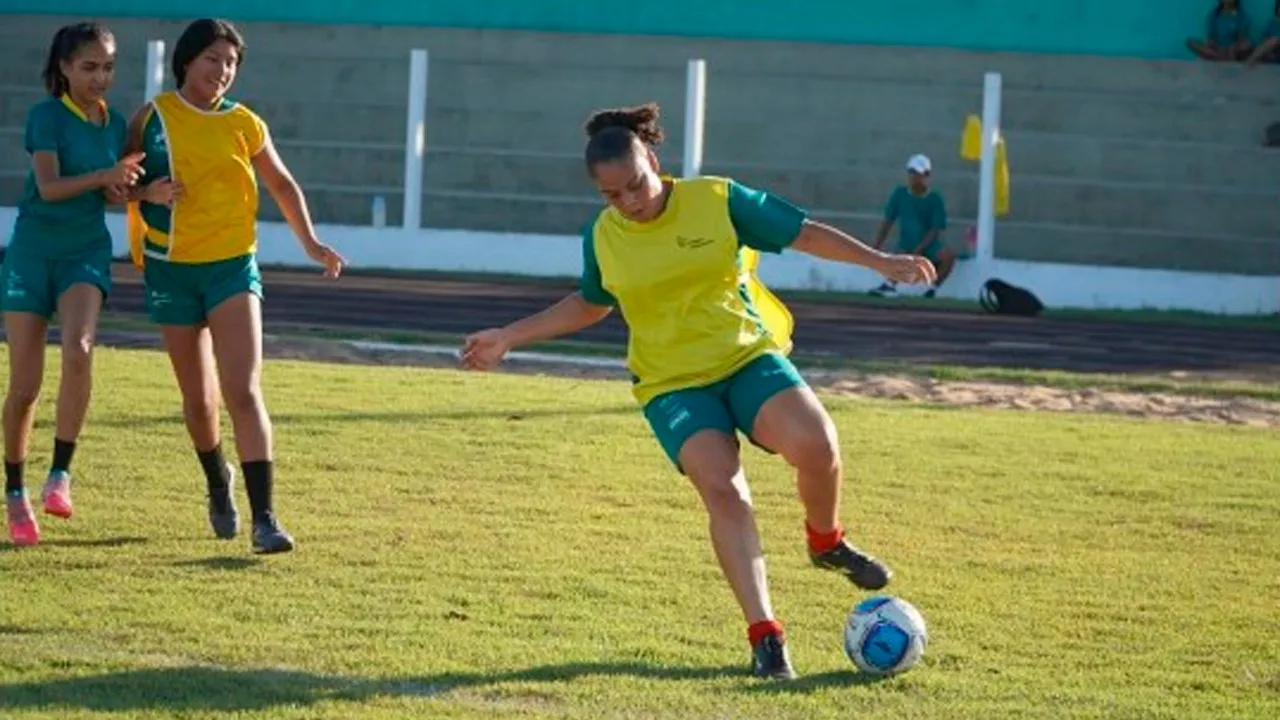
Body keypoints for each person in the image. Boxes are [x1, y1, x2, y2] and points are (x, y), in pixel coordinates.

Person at [460, 102, 935, 680]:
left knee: (818, 445)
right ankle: (766, 637)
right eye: (613, 196)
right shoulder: (604, 237)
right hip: (671, 384)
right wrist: (509, 336)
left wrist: (879, 261)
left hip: (745, 357)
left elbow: (802, 232)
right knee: (725, 493)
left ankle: (826, 541)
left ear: (653, 161)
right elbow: (590, 301)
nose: (630, 202)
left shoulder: (717, 200)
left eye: (636, 184)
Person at [123, 18, 345, 555]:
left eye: (231, 63)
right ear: (187, 60)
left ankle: (266, 518)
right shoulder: (152, 118)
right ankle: (217, 484)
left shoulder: (245, 123)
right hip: (171, 268)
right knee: (199, 403)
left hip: (232, 268)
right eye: (213, 60)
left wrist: (311, 243)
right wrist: (146, 192)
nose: (222, 71)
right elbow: (117, 186)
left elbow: (282, 184)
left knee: (242, 390)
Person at [2, 22, 160, 547]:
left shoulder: (113, 124)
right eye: (89, 67)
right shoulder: (45, 117)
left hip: (85, 253)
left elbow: (112, 192)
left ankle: (59, 475)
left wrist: (144, 192)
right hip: (32, 251)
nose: (100, 77)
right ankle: (16, 492)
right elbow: (49, 188)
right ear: (64, 68)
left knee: (81, 347)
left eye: (108, 68)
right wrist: (105, 176)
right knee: (24, 388)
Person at [870, 154, 953, 298]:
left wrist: (919, 249)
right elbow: (888, 220)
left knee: (948, 256)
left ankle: (932, 289)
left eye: (919, 173)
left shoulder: (935, 198)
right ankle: (889, 285)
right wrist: (877, 244)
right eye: (912, 172)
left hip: (929, 247)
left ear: (927, 175)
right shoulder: (899, 194)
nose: (914, 177)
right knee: (902, 256)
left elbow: (936, 229)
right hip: (905, 244)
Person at [1187, 0, 1254, 62]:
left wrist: (1232, 48)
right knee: (1191, 42)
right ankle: (1219, 57)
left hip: (1232, 50)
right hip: (1217, 49)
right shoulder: (1214, 15)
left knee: (1246, 45)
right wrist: (1212, 44)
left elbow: (1242, 40)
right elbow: (1211, 38)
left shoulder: (1241, 16)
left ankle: (1221, 58)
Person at [1245, 1, 1280, 67]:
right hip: (1272, 50)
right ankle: (1251, 61)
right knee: (1272, 41)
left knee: (1274, 40)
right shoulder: (1272, 23)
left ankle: (1252, 60)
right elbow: (1264, 39)